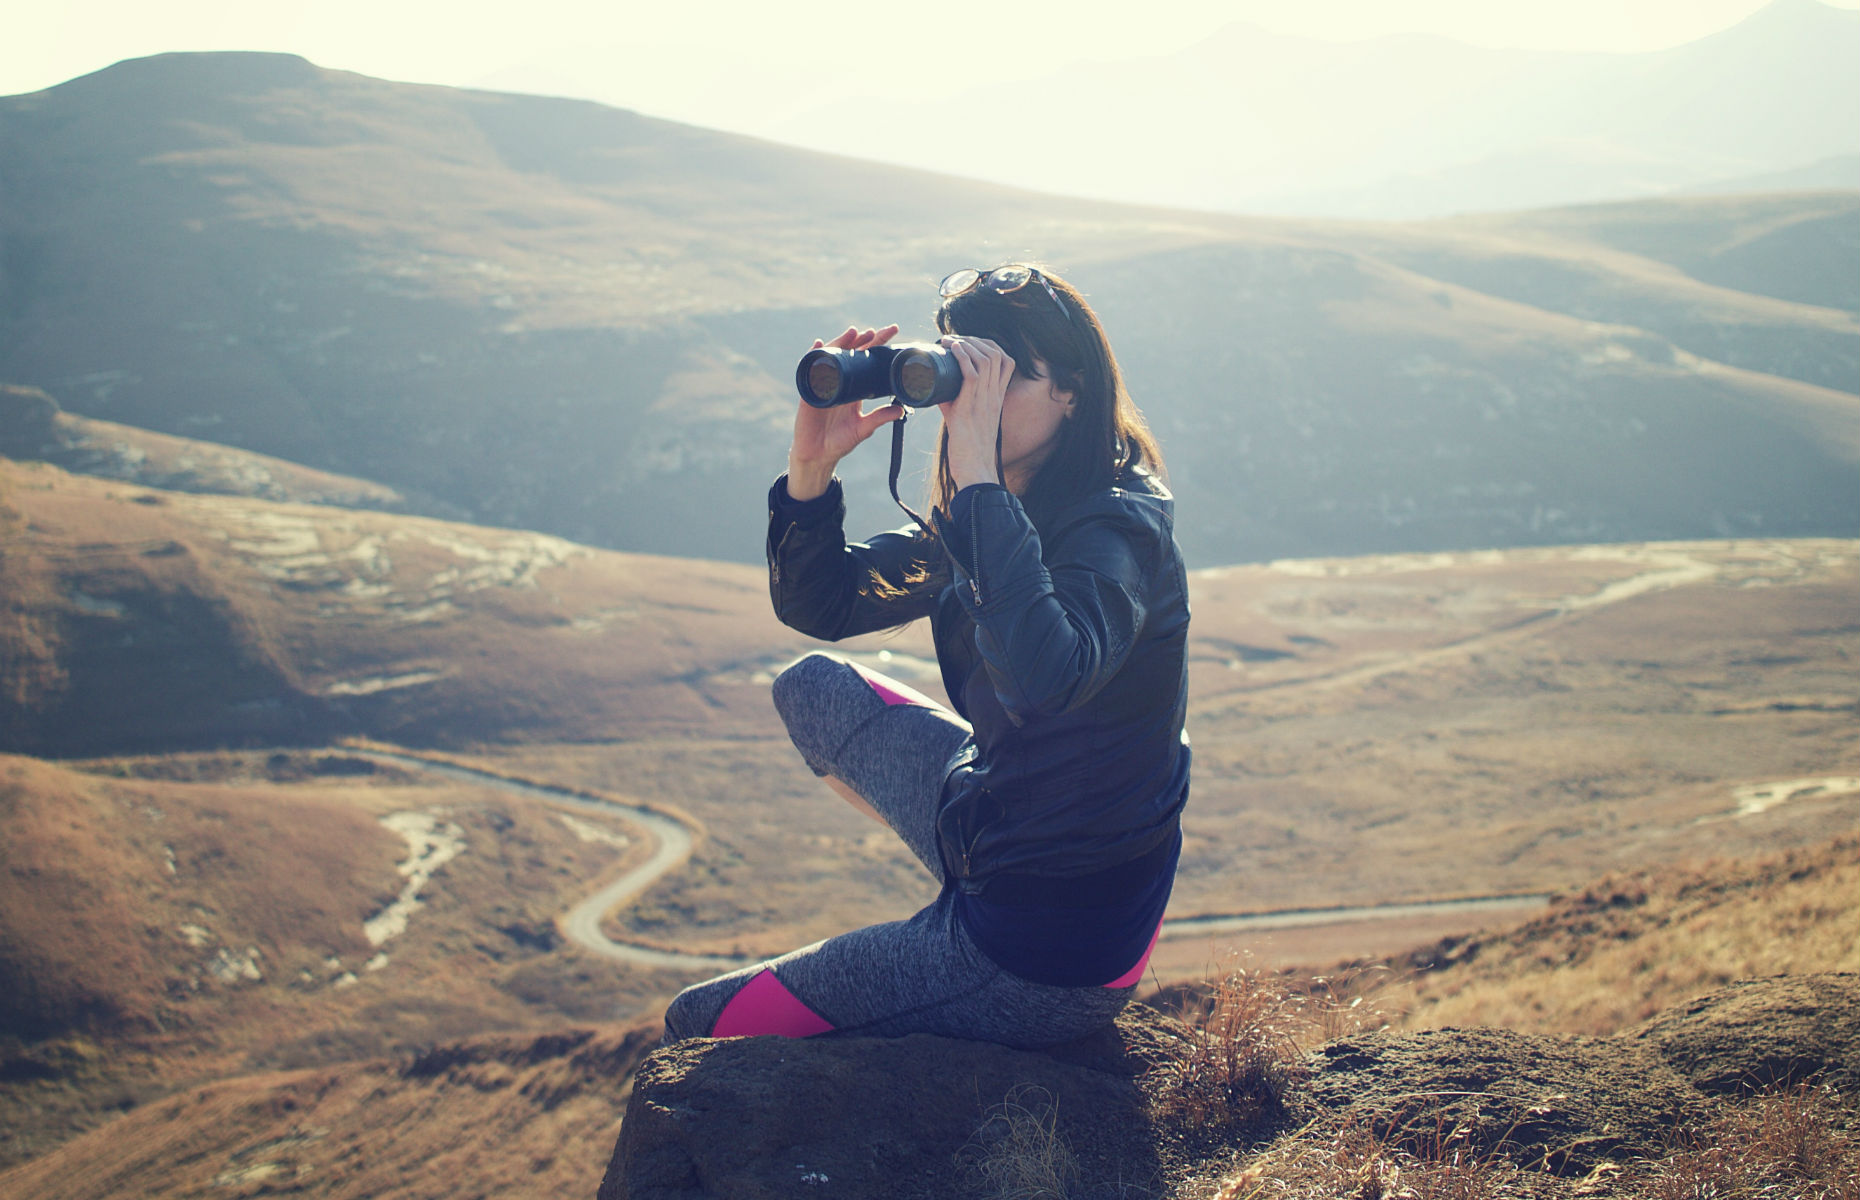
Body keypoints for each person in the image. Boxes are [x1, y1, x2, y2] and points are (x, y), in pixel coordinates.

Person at [661, 264, 1190, 1049]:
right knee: (813, 689)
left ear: (1073, 393)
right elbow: (826, 606)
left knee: (698, 1024)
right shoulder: (1008, 501)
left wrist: (976, 475)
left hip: (1048, 948)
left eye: (1002, 380)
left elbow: (1050, 682)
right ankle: (959, 897)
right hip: (1002, 819)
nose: (967, 405)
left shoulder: (1115, 532)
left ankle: (954, 949)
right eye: (960, 377)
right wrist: (811, 472)